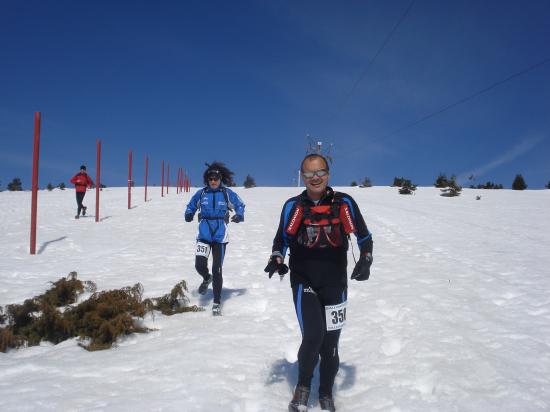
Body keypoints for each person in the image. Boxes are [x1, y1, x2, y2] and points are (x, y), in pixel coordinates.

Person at [265, 154, 373, 412]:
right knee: (313, 336)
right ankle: (302, 388)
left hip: (336, 282)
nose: (315, 178)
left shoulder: (345, 202)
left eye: (320, 172)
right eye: (309, 173)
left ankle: (325, 392)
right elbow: (280, 239)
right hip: (304, 280)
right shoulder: (293, 205)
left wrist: (366, 259)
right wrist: (277, 258)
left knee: (330, 346)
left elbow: (364, 236)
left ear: (328, 173)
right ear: (302, 176)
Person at [184, 162, 245, 316]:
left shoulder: (226, 193)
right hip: (204, 235)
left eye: (216, 178)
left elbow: (240, 204)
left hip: (220, 237)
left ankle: (217, 302)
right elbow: (191, 205)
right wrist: (189, 213)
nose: (213, 181)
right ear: (207, 180)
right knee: (199, 265)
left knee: (217, 269)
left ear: (220, 179)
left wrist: (239, 214)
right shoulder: (201, 194)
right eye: (210, 178)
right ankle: (206, 278)